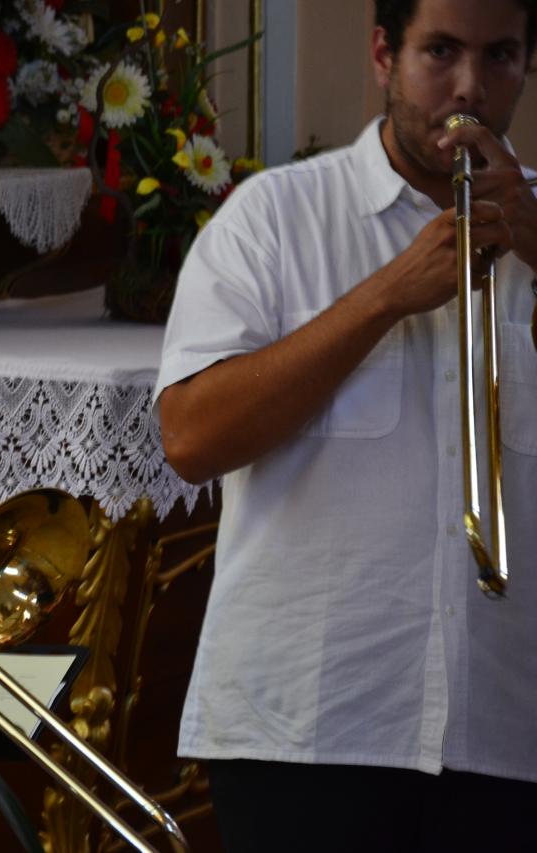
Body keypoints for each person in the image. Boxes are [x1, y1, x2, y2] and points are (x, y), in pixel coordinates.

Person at [154, 0, 537, 849]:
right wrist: (384, 296)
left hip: (512, 730)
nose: (470, 86)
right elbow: (190, 439)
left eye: (500, 56)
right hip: (308, 731)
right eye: (441, 51)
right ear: (383, 55)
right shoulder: (272, 216)